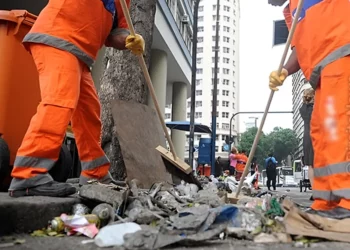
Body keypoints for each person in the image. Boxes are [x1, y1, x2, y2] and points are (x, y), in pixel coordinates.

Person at [8, 0, 145, 198]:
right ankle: (28, 175)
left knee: (89, 113)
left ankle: (94, 173)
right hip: (57, 36)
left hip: (79, 54)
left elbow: (115, 34)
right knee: (59, 102)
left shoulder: (122, 3)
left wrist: (130, 40)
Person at [268, 0, 350, 217]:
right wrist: (284, 71)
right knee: (321, 135)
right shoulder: (291, 10)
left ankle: (347, 201)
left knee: (338, 131)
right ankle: (326, 201)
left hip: (342, 56)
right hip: (321, 73)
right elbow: (300, 48)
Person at [300, 88, 315, 200]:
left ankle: (315, 192)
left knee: (310, 165)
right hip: (317, 135)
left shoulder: (302, 109)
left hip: (307, 137)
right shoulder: (317, 107)